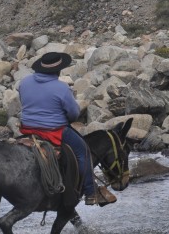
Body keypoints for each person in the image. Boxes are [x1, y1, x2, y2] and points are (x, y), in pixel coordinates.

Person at [18, 51, 113, 206]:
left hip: (28, 129)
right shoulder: (61, 88)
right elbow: (74, 114)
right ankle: (90, 193)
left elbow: (24, 102)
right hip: (53, 131)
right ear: (58, 70)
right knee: (83, 151)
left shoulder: (24, 82)